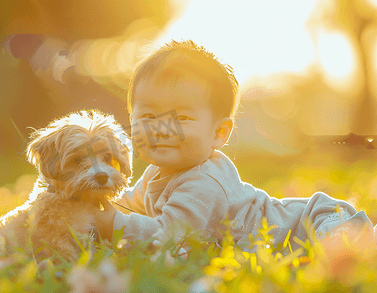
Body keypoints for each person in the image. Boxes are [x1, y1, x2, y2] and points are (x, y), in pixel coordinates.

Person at [94, 40, 375, 250]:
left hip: (315, 223)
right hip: (311, 223)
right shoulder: (155, 174)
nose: (162, 128)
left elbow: (167, 237)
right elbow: (126, 203)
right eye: (148, 116)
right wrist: (88, 201)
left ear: (219, 132)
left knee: (346, 259)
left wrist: (109, 223)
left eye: (181, 117)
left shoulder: (205, 182)